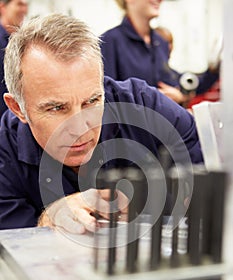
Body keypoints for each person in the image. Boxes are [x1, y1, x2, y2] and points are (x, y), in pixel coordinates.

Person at [0, 13, 203, 232]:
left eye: (91, 101)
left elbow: (214, 184)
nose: (80, 129)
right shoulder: (4, 155)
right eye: (57, 108)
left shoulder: (148, 110)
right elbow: (12, 246)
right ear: (18, 108)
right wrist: (47, 221)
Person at [100, 0, 220, 106]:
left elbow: (172, 80)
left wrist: (214, 69)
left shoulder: (160, 42)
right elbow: (108, 99)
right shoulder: (110, 41)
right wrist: (158, 99)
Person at [0, 0, 28, 118]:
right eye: (19, 4)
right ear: (2, 7)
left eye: (26, 5)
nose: (25, 10)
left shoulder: (22, 40)